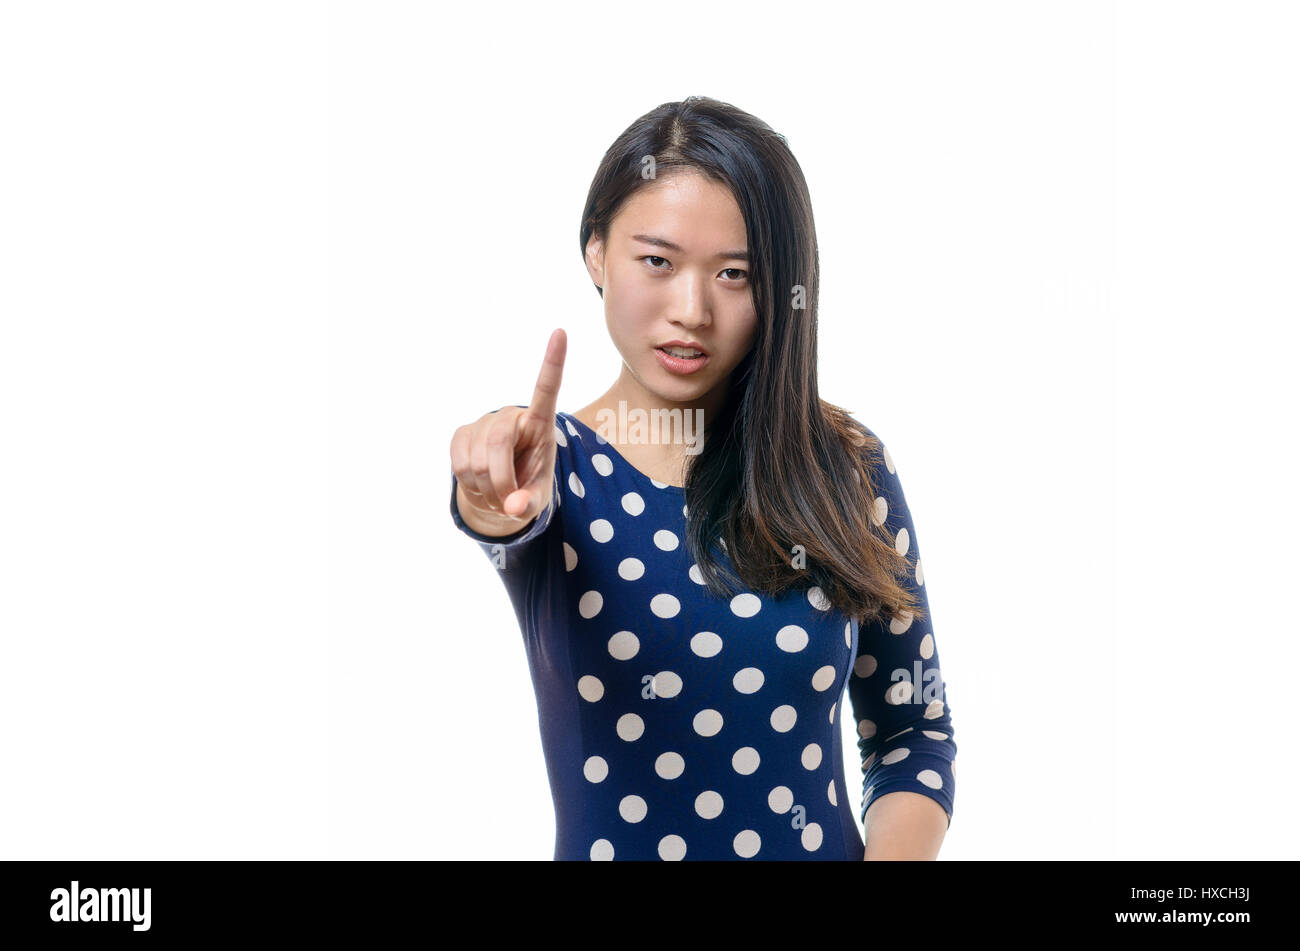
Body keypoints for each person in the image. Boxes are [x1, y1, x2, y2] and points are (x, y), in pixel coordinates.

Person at [448, 96, 956, 860]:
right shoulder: (554, 471)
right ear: (596, 254)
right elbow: (504, 507)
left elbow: (914, 729)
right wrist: (487, 492)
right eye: (657, 261)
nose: (692, 310)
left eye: (734, 274)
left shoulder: (847, 466)